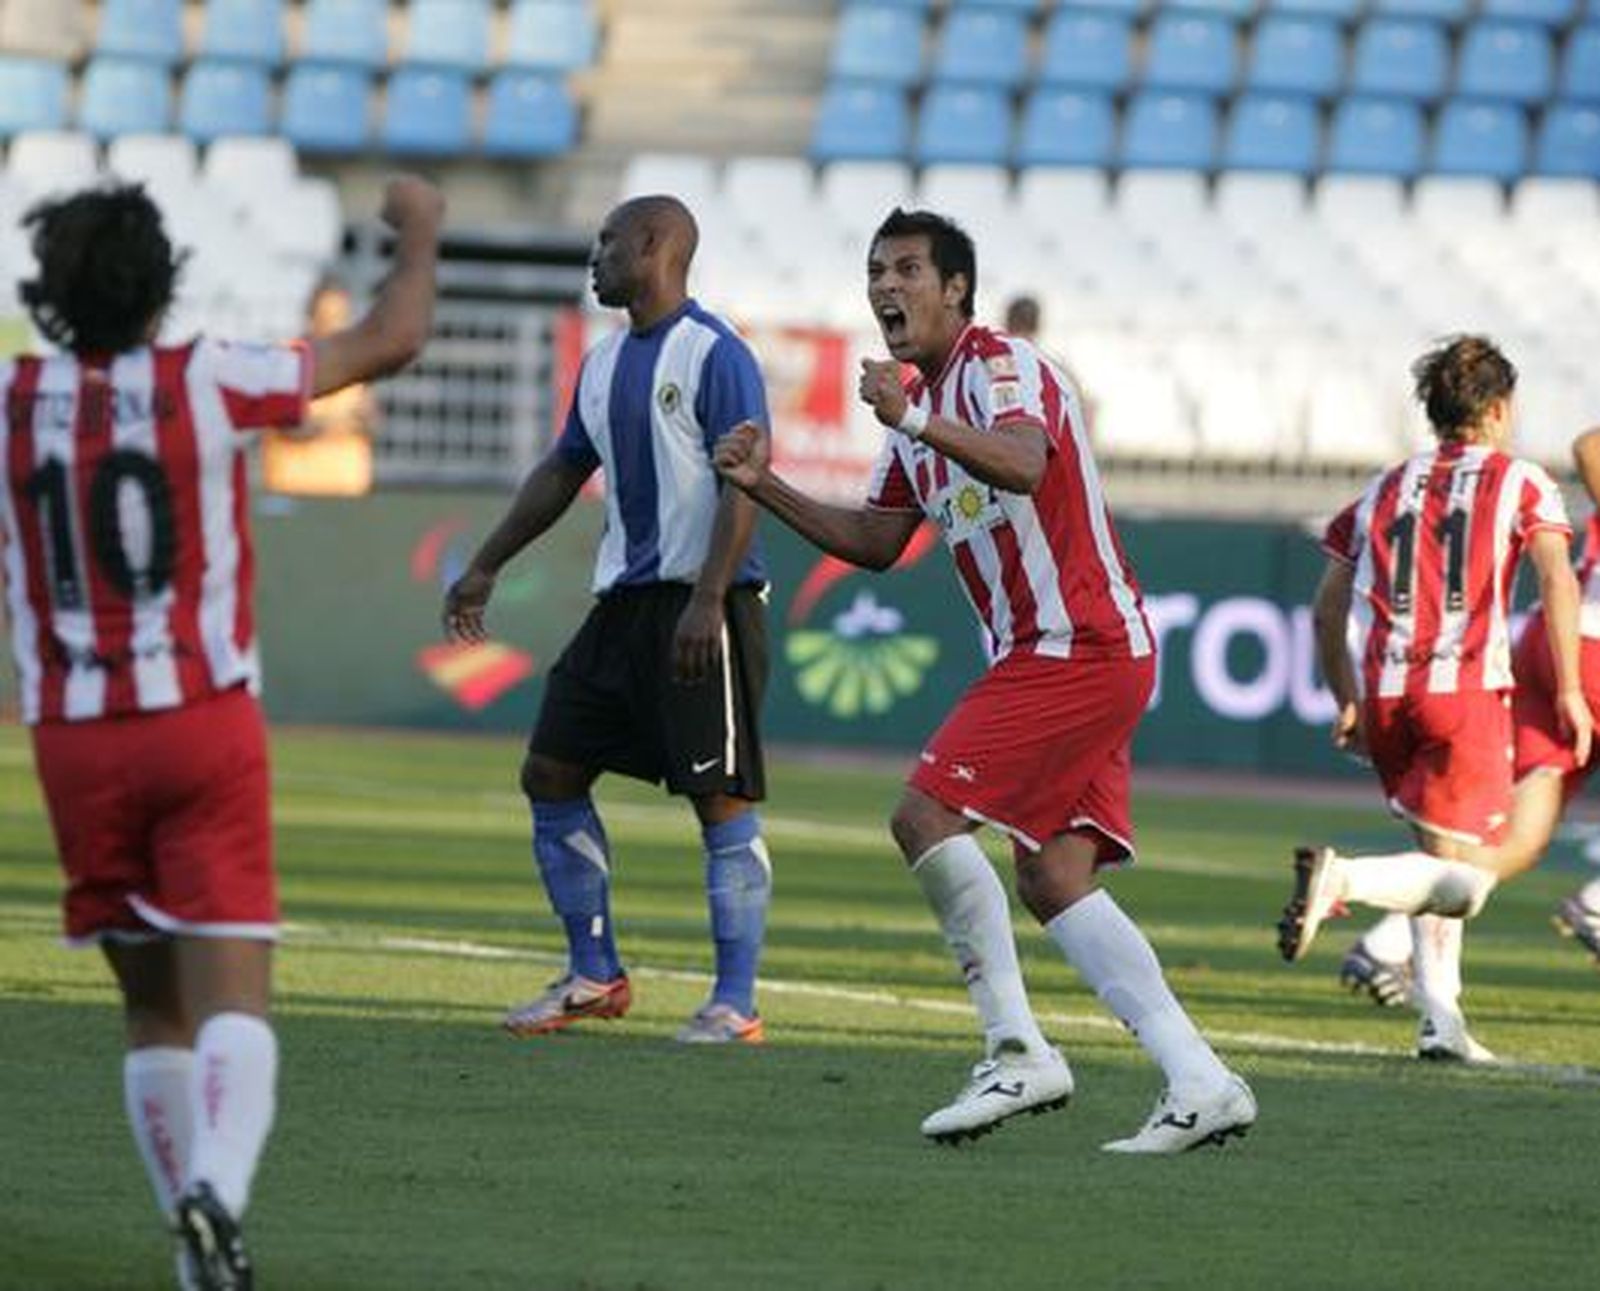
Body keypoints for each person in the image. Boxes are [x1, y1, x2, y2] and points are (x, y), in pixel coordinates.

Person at [714, 208, 1255, 1153]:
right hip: (1060, 650)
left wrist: (913, 416)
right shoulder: (918, 415)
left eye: (908, 269)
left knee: (923, 816)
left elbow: (1024, 461)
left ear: (956, 288)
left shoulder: (1002, 366)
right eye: (875, 271)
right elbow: (875, 541)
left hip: (1077, 641)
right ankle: (1200, 1078)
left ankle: (1016, 1048)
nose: (886, 287)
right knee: (1054, 876)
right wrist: (767, 484)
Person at [0, 174, 442, 1290]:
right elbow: (390, 339)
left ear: (48, 297)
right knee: (233, 995)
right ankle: (216, 1191)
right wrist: (422, 230)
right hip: (201, 721)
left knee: (149, 1005)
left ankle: (198, 1258)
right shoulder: (207, 376)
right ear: (163, 290)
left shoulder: (11, 398)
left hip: (74, 736)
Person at [442, 195, 775, 1047]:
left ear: (654, 245)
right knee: (551, 771)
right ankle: (594, 974)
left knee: (720, 797)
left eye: (607, 241)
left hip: (705, 602)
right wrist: (485, 563)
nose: (595, 257)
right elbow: (563, 469)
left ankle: (735, 1003)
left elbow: (747, 481)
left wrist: (709, 596)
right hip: (622, 606)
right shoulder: (600, 362)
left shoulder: (716, 352)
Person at [1277, 336, 1591, 1063]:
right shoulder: (1522, 481)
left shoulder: (1383, 488)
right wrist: (1572, 688)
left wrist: (1347, 698)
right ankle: (1343, 879)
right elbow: (1557, 577)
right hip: (1466, 690)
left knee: (1438, 855)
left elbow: (1325, 610)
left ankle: (1440, 1020)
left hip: (1388, 694)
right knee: (1468, 880)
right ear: (1500, 409)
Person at [1337, 422, 1600, 1003]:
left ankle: (1386, 944)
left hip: (1559, 644)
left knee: (1519, 835)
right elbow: (1590, 446)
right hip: (1584, 652)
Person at [260, 277, 379, 497]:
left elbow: (370, 422)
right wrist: (340, 424)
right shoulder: (288, 358)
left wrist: (326, 425)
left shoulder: (355, 361)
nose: (332, 325)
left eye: (339, 317)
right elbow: (291, 428)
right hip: (295, 484)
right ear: (311, 316)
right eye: (326, 317)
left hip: (345, 486)